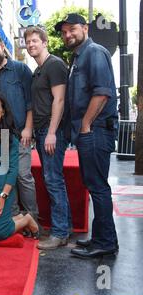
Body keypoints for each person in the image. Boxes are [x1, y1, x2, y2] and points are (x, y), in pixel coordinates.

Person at [55, 13, 119, 258]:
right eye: (64, 32)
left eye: (72, 29)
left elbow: (102, 93)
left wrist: (85, 125)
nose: (68, 34)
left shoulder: (94, 52)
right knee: (95, 186)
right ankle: (104, 237)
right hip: (91, 132)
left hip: (96, 131)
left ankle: (105, 242)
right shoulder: (79, 57)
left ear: (85, 28)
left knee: (98, 187)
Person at [0, 35, 40, 226]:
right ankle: (15, 218)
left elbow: (31, 103)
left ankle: (33, 218)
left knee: (23, 176)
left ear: (3, 46)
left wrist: (28, 129)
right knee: (6, 178)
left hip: (19, 133)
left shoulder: (20, 70)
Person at [24, 26, 72, 250]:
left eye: (35, 41)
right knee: (52, 179)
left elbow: (59, 100)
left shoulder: (54, 65)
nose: (31, 44)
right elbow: (36, 104)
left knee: (53, 180)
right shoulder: (38, 71)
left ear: (45, 43)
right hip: (42, 131)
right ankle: (65, 229)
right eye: (28, 42)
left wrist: (52, 132)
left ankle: (60, 233)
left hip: (53, 131)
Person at [0, 92, 39, 240]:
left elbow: (12, 171)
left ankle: (27, 220)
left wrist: (2, 197)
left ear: (3, 112)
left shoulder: (7, 137)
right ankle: (19, 219)